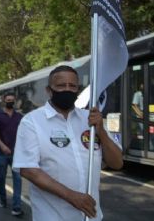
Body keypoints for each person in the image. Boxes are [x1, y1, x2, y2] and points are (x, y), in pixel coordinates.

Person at [13, 65, 123, 221]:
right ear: (49, 90)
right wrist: (72, 197)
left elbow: (117, 163)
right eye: (61, 86)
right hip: (52, 217)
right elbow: (29, 170)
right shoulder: (32, 122)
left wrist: (102, 132)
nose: (67, 89)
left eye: (72, 86)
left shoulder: (91, 119)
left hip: (91, 216)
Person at [0, 92, 24, 216]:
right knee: (1, 178)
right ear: (4, 101)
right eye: (8, 100)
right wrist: (2, 146)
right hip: (2, 153)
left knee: (18, 179)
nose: (10, 102)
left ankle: (16, 207)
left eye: (12, 100)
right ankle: (3, 200)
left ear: (15, 101)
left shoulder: (19, 117)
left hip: (17, 154)